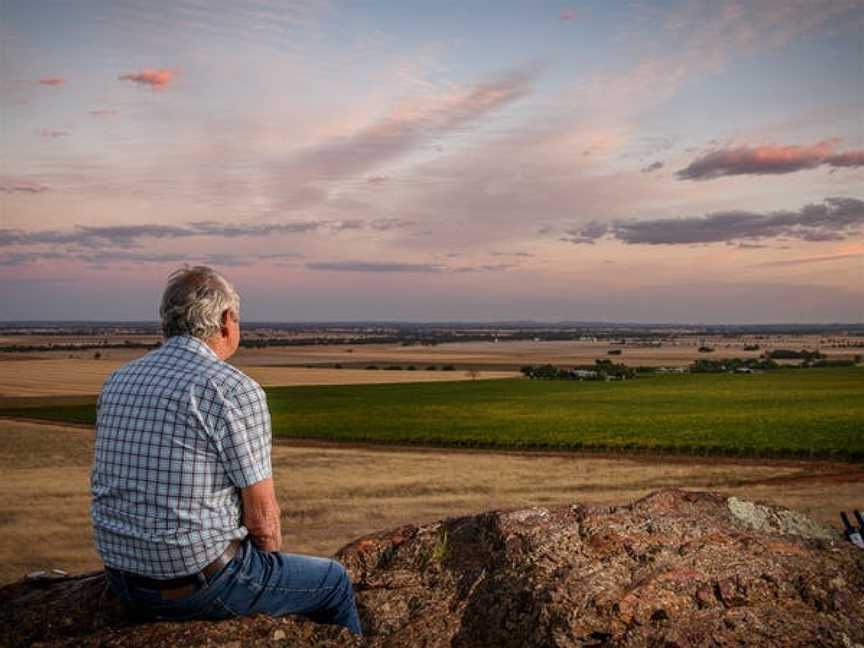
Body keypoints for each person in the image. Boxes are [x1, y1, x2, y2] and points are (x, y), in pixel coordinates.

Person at [91, 265, 362, 635]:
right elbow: (262, 519)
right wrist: (269, 579)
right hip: (198, 586)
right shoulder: (231, 388)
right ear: (225, 321)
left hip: (122, 580)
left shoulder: (119, 380)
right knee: (333, 581)